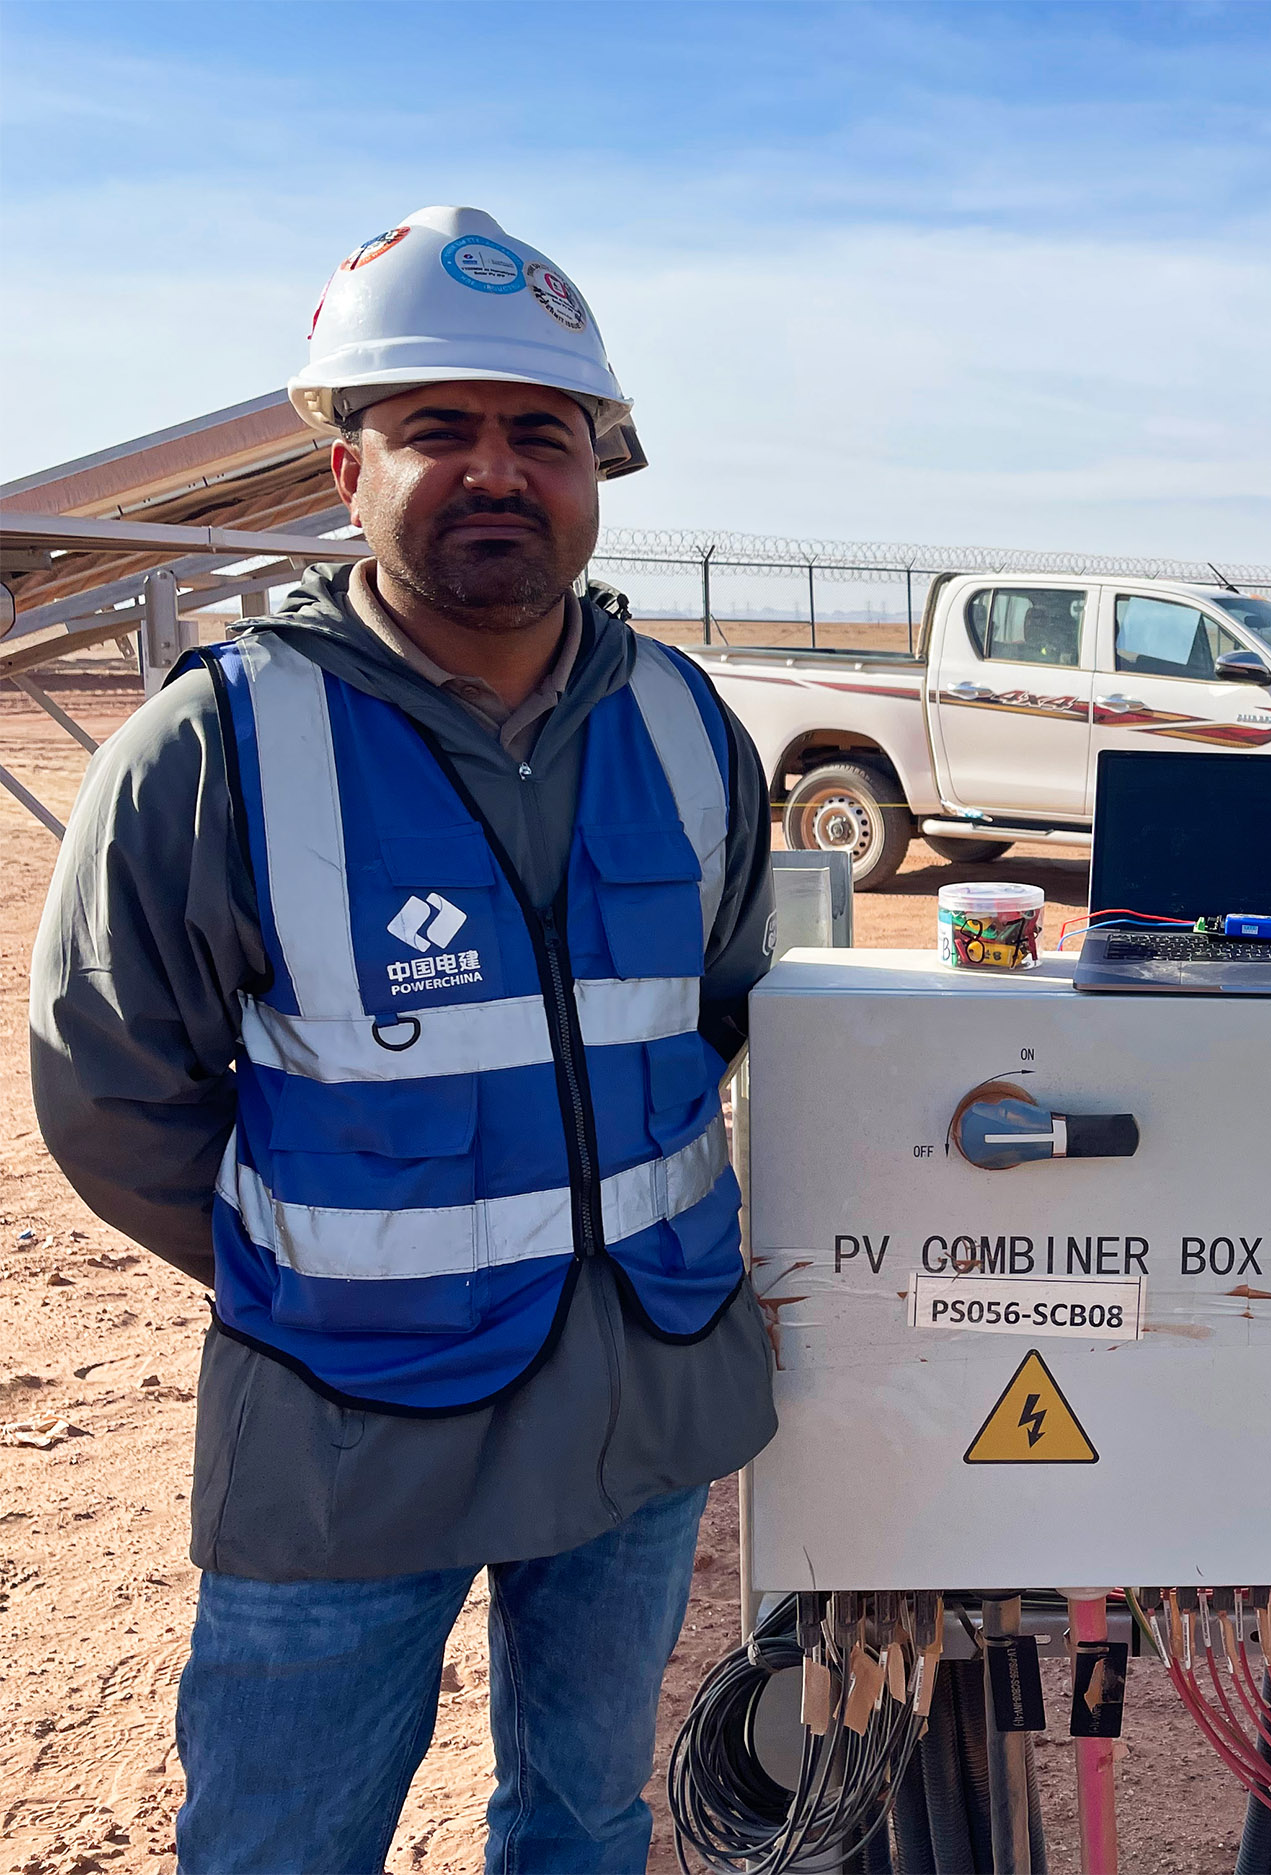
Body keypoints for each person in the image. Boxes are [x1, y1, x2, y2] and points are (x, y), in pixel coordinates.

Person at [30, 205, 780, 1873]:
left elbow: (724, 1001)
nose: (497, 471)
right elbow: (111, 1095)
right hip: (347, 1416)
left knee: (584, 1818)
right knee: (282, 1841)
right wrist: (319, 1260)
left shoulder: (682, 720)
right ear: (345, 469)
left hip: (643, 1395)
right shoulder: (215, 745)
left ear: (597, 471)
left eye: (543, 435)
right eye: (440, 428)